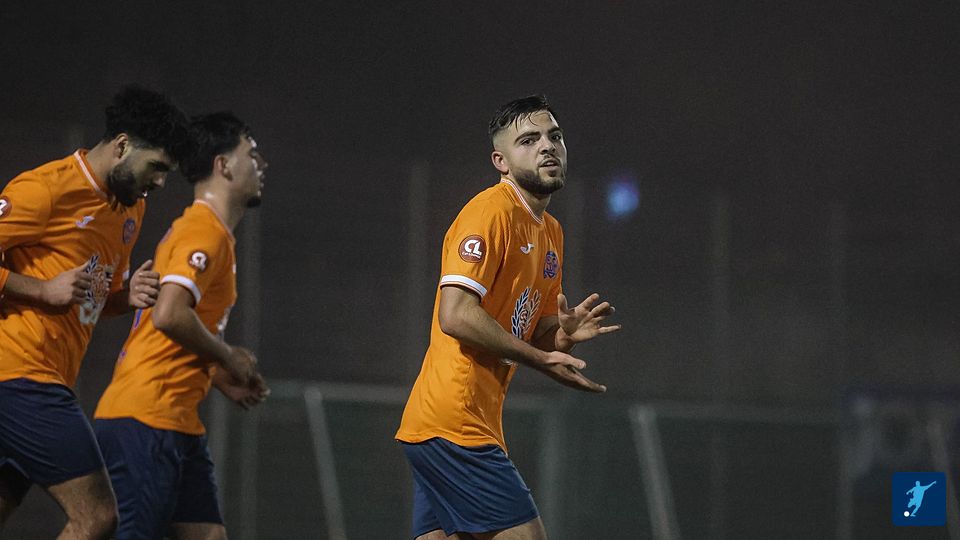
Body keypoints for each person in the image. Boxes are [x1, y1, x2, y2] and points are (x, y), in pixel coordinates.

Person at [396, 95, 621, 540]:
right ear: (500, 161)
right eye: (529, 140)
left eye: (555, 136)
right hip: (455, 421)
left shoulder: (550, 231)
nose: (547, 146)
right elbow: (456, 315)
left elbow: (532, 333)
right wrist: (540, 359)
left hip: (458, 424)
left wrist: (561, 337)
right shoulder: (490, 213)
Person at [0, 85, 189, 539]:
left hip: (41, 378)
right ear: (122, 146)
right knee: (99, 514)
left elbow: (91, 299)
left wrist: (126, 296)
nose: (160, 183)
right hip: (20, 377)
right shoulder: (46, 188)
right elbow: (54, 291)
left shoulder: (130, 209)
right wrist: (42, 290)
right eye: (157, 167)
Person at [93, 111, 270, 540]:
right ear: (223, 165)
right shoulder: (203, 231)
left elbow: (171, 326)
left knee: (208, 535)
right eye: (251, 154)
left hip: (177, 418)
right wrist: (227, 356)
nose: (260, 164)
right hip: (147, 416)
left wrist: (216, 375)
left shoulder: (210, 232)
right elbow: (169, 314)